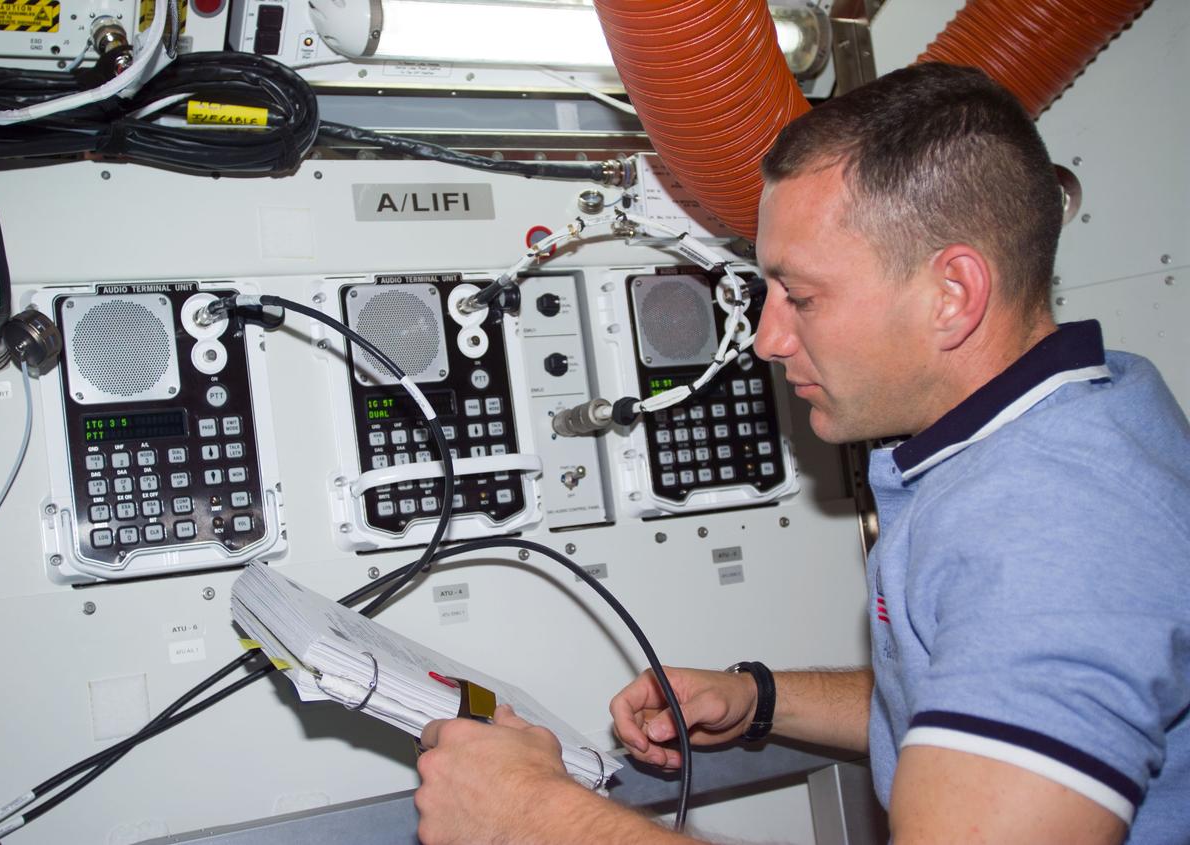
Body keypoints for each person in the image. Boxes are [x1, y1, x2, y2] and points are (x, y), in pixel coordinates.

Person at [413, 63, 1190, 844]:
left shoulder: (1058, 529)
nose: (768, 338)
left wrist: (529, 816)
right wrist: (763, 698)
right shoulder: (1088, 408)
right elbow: (973, 692)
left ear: (953, 294)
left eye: (803, 296)